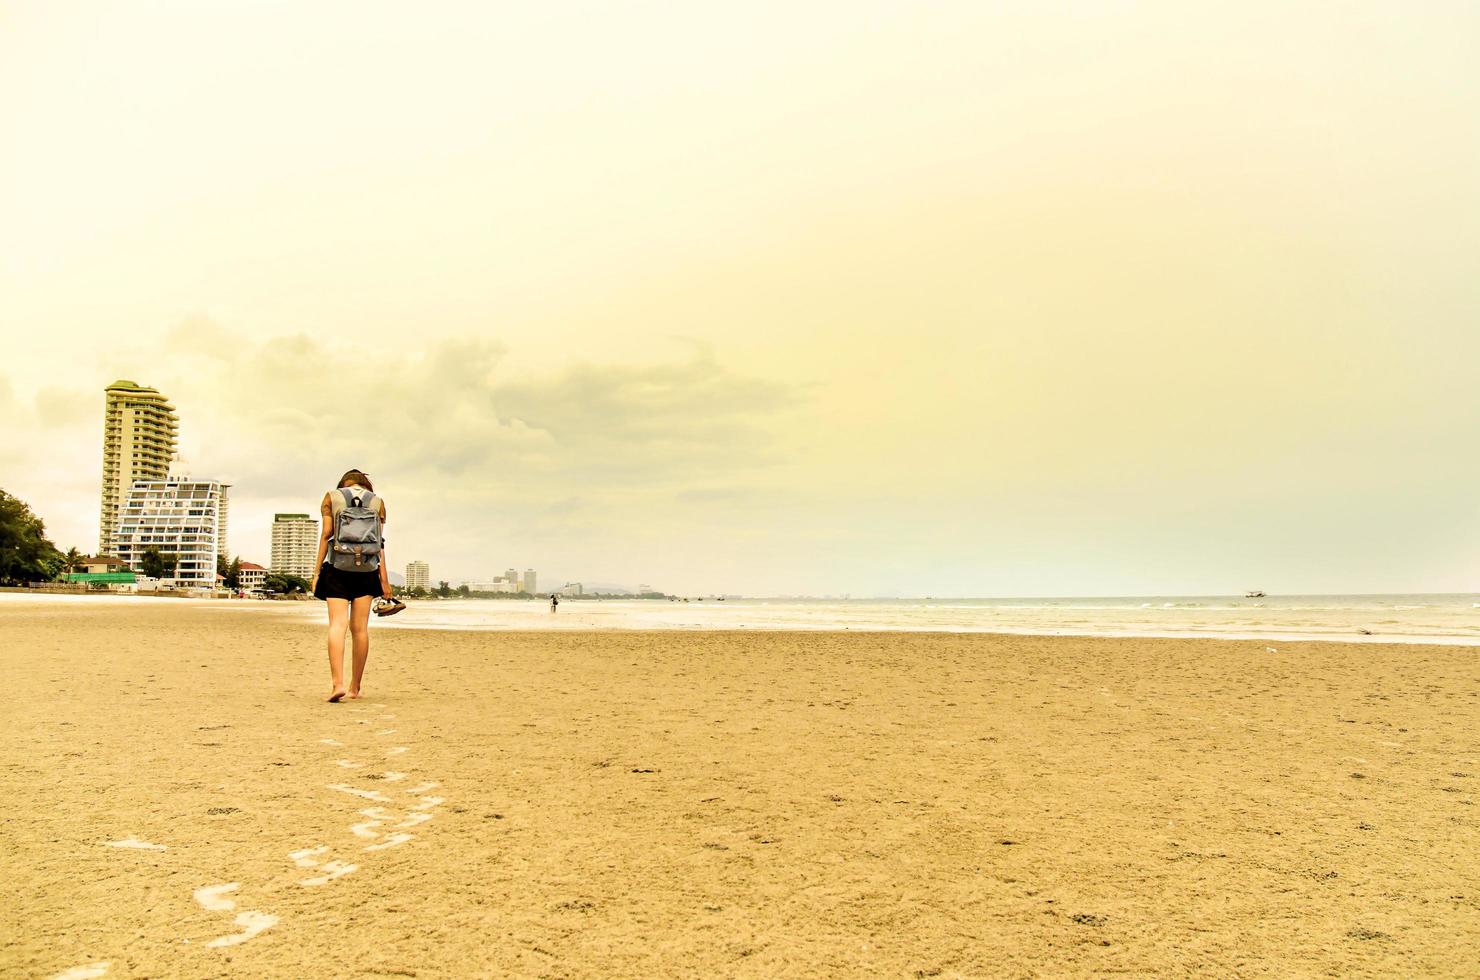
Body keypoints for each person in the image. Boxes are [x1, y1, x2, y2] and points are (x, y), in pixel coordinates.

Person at [310, 469, 391, 702]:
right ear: (366, 484)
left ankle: (337, 684)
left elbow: (326, 534)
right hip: (367, 570)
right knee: (360, 629)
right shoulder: (377, 502)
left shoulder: (332, 497)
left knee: (337, 625)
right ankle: (355, 687)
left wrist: (316, 572)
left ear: (343, 483)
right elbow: (379, 544)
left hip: (338, 568)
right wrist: (384, 582)